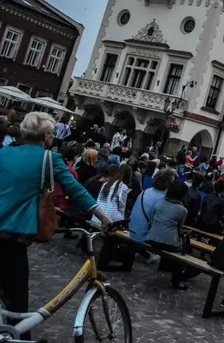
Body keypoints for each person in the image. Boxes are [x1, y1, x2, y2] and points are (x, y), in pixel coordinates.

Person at [0, 112, 113, 338]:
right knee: (17, 305)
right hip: (11, 239)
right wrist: (104, 218)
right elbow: (75, 190)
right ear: (48, 136)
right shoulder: (49, 158)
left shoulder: (4, 153)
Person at [146, 181, 199, 290]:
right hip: (169, 243)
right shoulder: (182, 210)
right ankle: (177, 280)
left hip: (152, 238)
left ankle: (165, 266)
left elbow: (152, 220)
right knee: (183, 247)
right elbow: (178, 229)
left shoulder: (159, 203)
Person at [129, 168, 177, 264]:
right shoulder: (163, 199)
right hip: (143, 236)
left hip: (132, 229)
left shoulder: (146, 191)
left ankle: (142, 250)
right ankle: (150, 254)